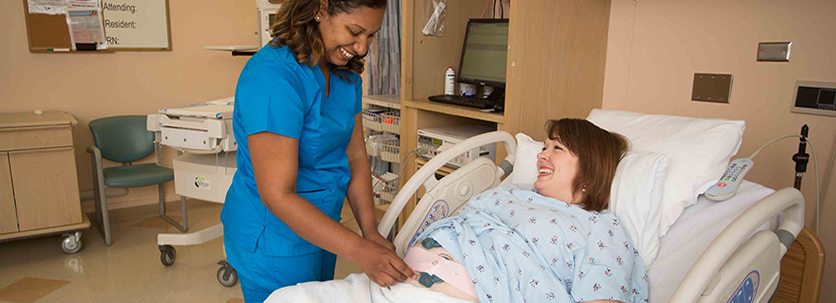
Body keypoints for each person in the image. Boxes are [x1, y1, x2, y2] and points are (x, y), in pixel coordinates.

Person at [267, 118, 648, 303]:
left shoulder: (600, 228)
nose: (543, 155)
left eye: (557, 149)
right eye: (544, 147)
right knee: (283, 300)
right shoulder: (514, 191)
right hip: (394, 285)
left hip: (449, 297)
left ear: (591, 166)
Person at [220, 0, 413, 303]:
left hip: (323, 229)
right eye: (354, 32)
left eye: (371, 35)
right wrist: (360, 249)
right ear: (321, 9)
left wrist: (370, 232)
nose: (363, 48)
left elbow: (354, 156)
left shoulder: (344, 75)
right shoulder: (273, 79)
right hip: (273, 237)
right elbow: (278, 194)